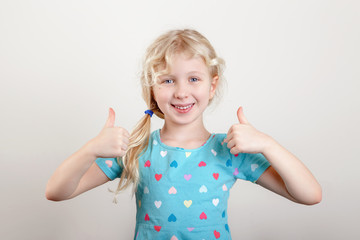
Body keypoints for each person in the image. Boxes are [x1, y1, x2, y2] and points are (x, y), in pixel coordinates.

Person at [46, 29, 322, 239]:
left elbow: (310, 194)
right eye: (168, 80)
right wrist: (91, 149)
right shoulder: (137, 150)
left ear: (212, 86)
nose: (181, 91)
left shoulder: (229, 150)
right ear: (153, 88)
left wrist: (268, 144)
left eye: (193, 79)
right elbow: (56, 192)